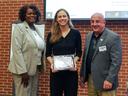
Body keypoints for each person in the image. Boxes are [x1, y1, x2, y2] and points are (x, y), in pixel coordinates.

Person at [80, 13, 122, 96]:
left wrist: (110, 79)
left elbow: (116, 61)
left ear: (104, 22)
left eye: (97, 21)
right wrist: (82, 76)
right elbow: (85, 57)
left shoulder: (113, 37)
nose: (94, 24)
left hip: (106, 81)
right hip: (91, 79)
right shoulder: (89, 36)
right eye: (92, 22)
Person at [8, 4, 46, 96]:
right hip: (23, 71)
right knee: (23, 94)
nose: (32, 15)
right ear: (24, 15)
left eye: (34, 13)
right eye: (29, 14)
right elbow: (17, 50)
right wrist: (23, 72)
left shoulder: (36, 29)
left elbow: (39, 48)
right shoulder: (19, 27)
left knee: (32, 93)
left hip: (35, 68)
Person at [46, 9, 82, 96]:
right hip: (56, 73)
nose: (62, 18)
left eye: (64, 16)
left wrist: (73, 62)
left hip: (71, 73)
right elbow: (47, 54)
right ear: (56, 20)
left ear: (68, 18)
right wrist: (53, 63)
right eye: (60, 16)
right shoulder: (51, 34)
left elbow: (79, 52)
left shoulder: (76, 33)